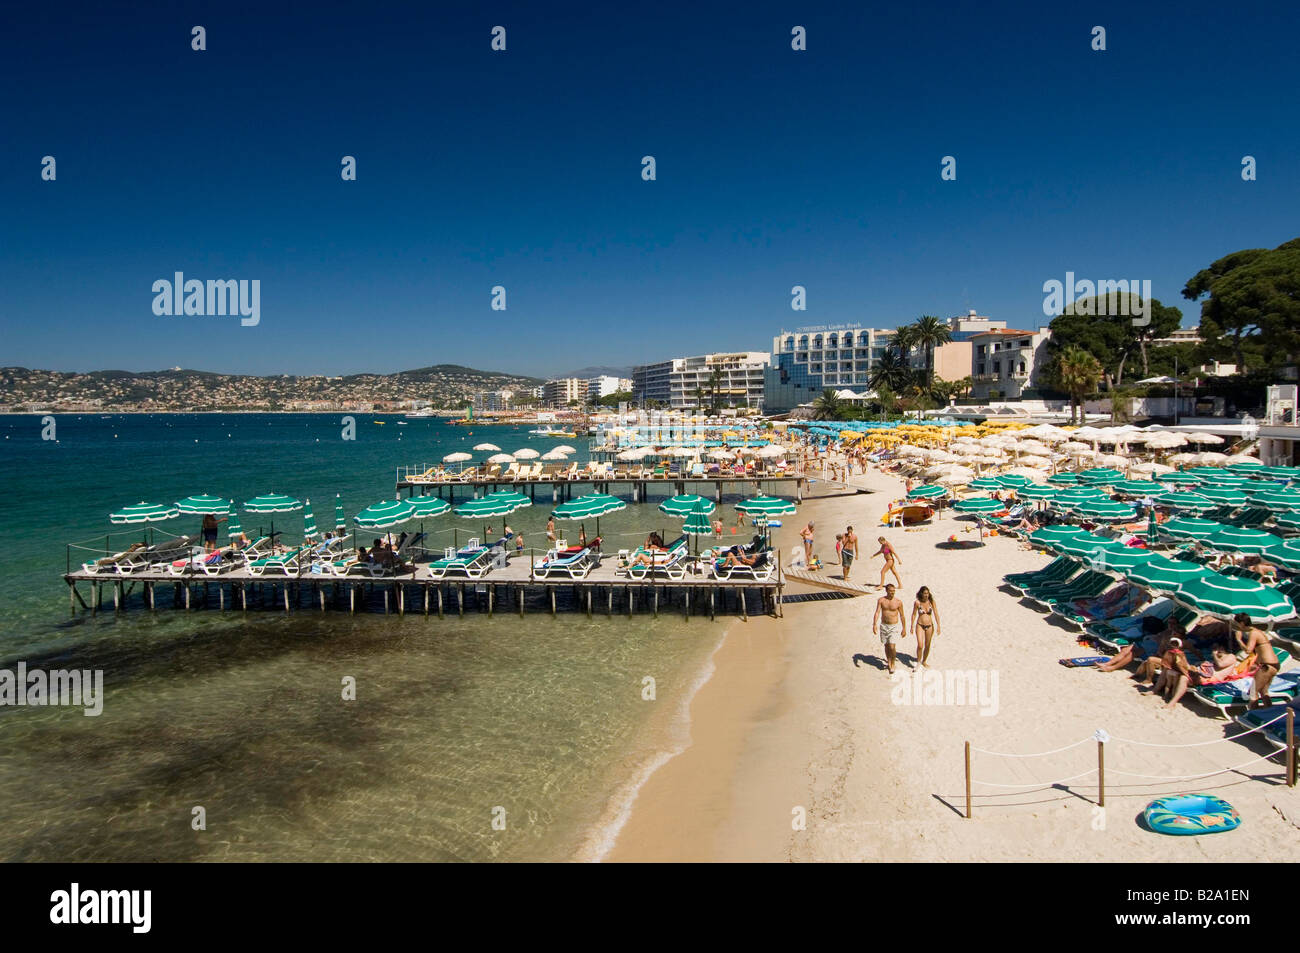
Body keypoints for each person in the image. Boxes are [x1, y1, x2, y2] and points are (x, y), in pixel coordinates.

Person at [1234, 613, 1280, 706]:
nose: (1237, 626)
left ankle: (1253, 714)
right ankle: (1268, 712)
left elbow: (1248, 650)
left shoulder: (1253, 633)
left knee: (1252, 692)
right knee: (1264, 691)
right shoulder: (1258, 632)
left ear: (1242, 623)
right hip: (1273, 665)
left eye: (1237, 624)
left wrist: (1238, 639)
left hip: (1267, 666)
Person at [873, 583, 907, 675]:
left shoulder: (898, 602)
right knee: (886, 645)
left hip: (894, 626)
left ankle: (893, 663)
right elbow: (877, 612)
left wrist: (904, 628)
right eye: (891, 591)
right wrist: (874, 624)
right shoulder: (881, 600)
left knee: (892, 646)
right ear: (887, 591)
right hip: (884, 625)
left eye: (894, 591)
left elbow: (902, 615)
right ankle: (889, 661)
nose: (892, 593)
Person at [911, 586, 940, 667]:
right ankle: (918, 661)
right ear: (921, 594)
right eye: (925, 593)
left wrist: (938, 625)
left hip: (930, 626)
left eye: (927, 593)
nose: (926, 595)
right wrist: (911, 625)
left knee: (927, 645)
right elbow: (914, 614)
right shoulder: (917, 602)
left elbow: (936, 613)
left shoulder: (931, 602)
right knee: (920, 645)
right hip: (920, 625)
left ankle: (924, 661)